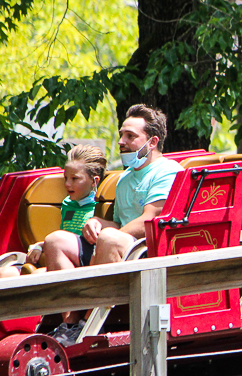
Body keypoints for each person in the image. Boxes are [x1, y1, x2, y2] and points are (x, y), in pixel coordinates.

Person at [42, 104, 183, 341]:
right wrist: (98, 223)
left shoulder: (166, 172)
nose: (122, 141)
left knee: (108, 238)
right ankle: (70, 324)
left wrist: (105, 239)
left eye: (130, 136)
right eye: (121, 135)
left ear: (152, 142)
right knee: (55, 240)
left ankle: (89, 323)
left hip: (149, 253)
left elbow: (150, 220)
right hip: (120, 246)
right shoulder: (126, 177)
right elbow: (119, 223)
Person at [0, 144, 106, 279]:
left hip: (81, 263)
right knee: (1, 274)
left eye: (74, 179)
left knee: (36, 275)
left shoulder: (98, 206)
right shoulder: (68, 203)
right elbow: (65, 236)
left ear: (94, 181)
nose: (67, 184)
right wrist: (40, 246)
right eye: (66, 178)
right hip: (60, 257)